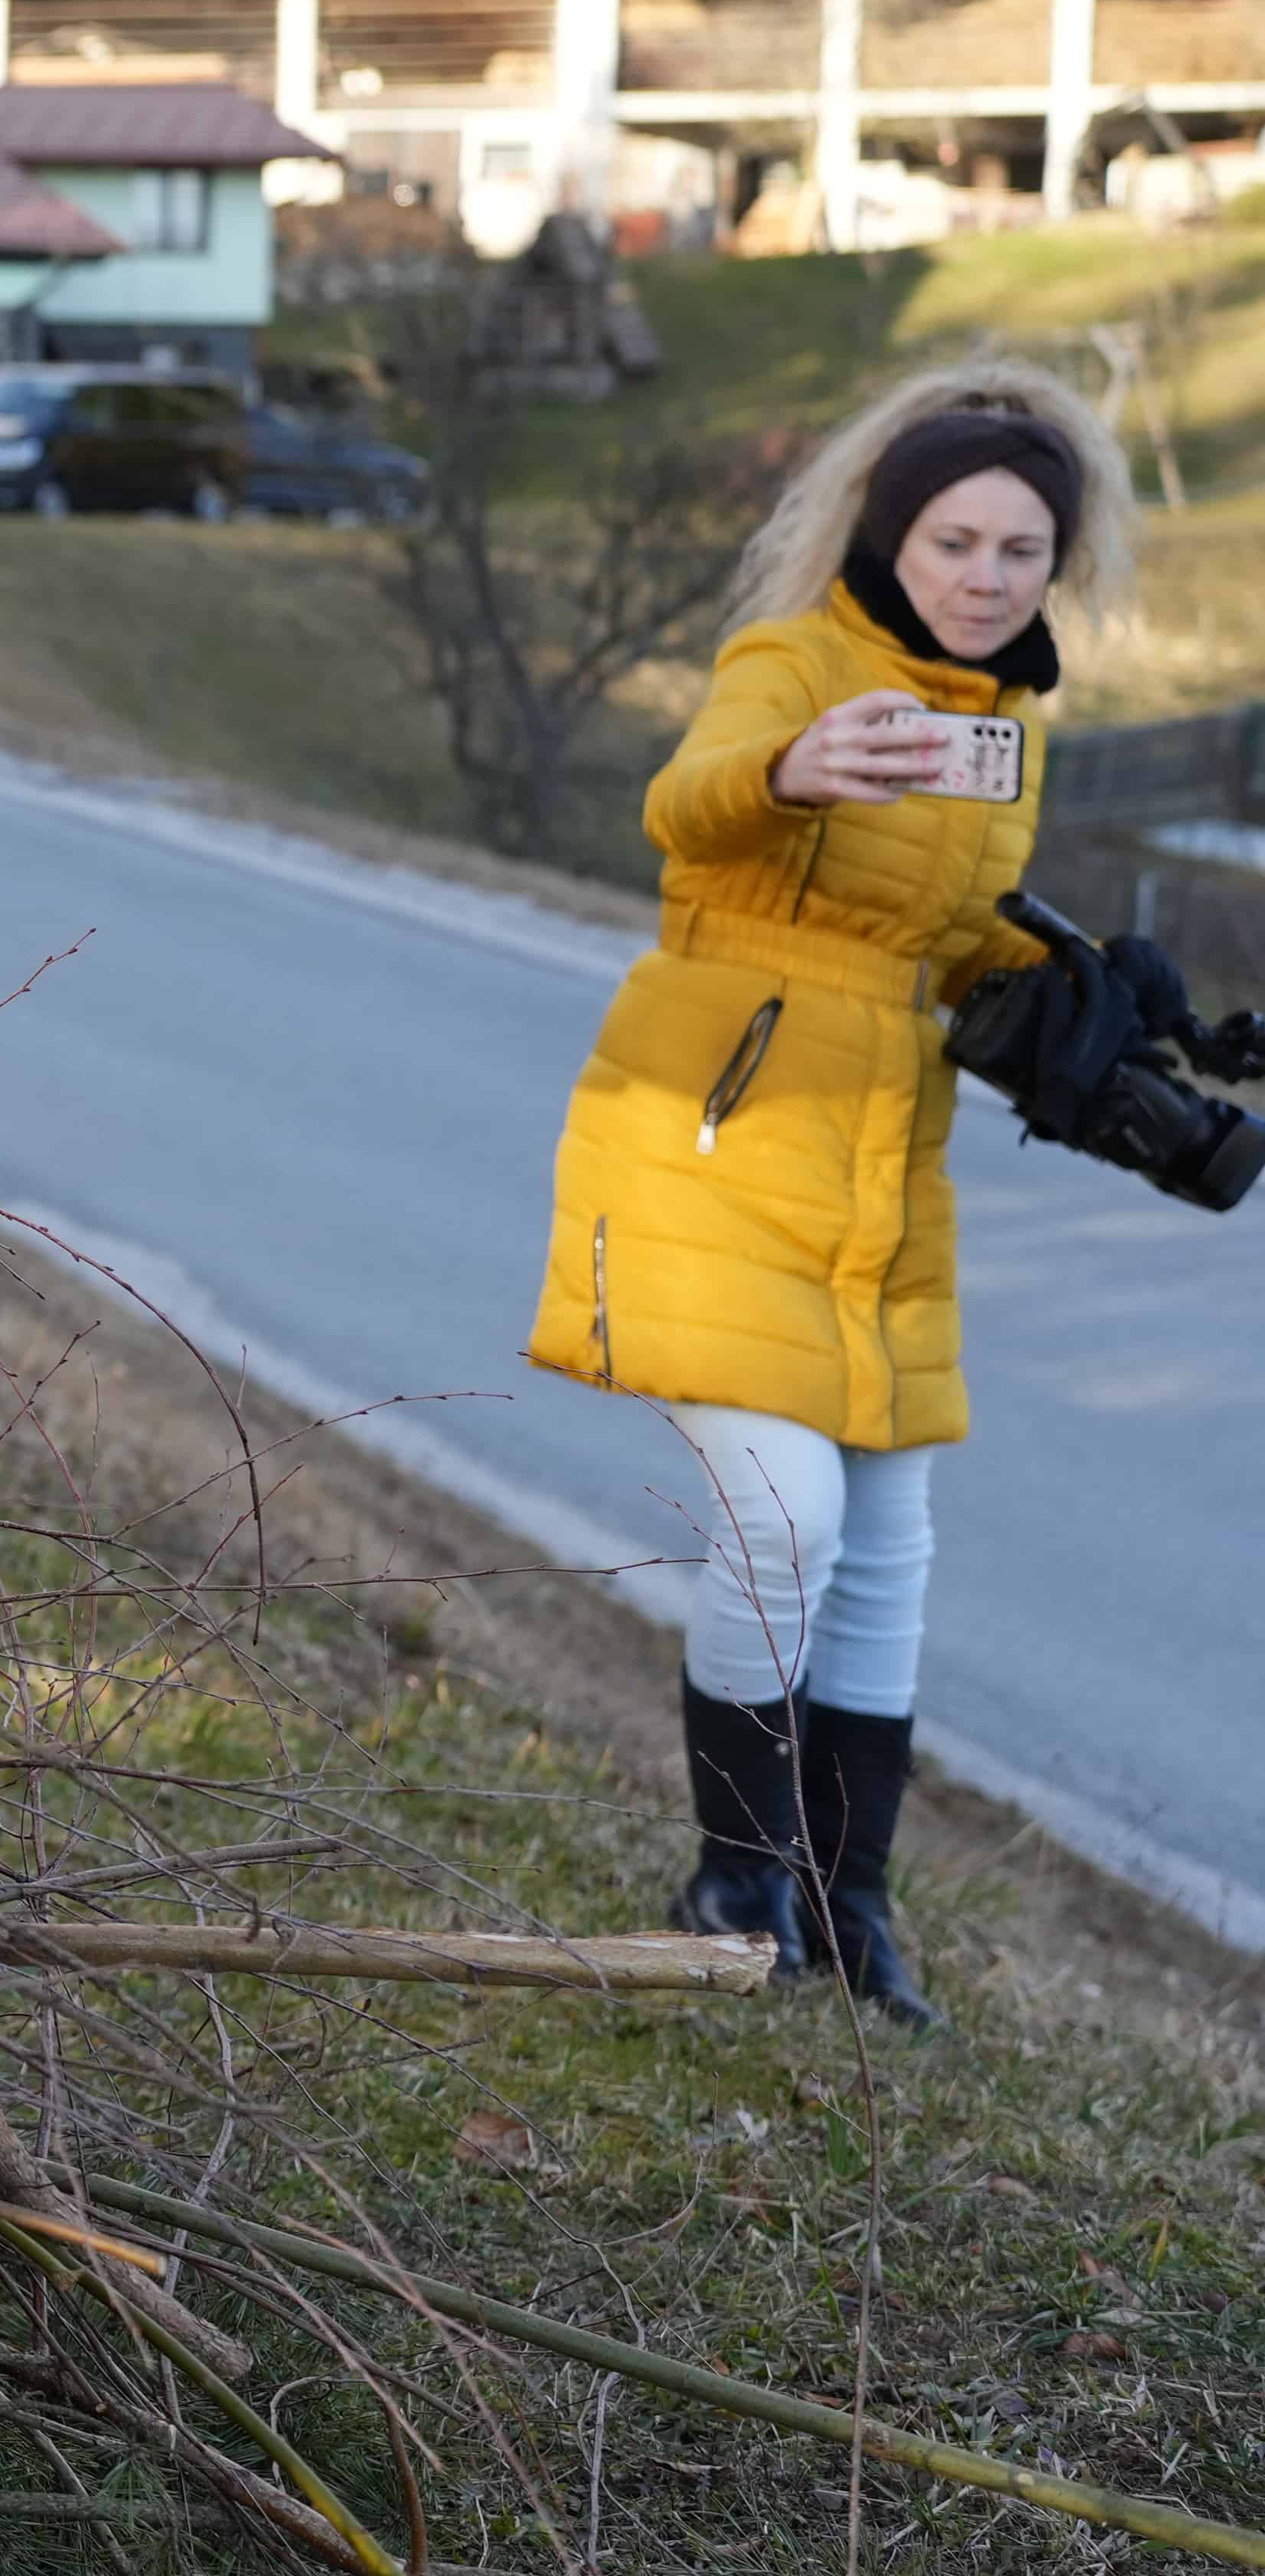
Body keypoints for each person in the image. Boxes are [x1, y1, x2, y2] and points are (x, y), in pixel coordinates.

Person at [524, 355, 1137, 2032]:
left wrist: (1089, 987)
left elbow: (938, 933)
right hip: (711, 1127)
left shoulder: (1008, 723)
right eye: (957, 538)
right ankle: (735, 1869)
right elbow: (688, 803)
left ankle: (849, 1901)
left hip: (883, 1158)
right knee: (783, 1512)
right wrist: (795, 767)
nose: (988, 575)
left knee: (886, 1542)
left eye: (1023, 550)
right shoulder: (793, 664)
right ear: (892, 527)